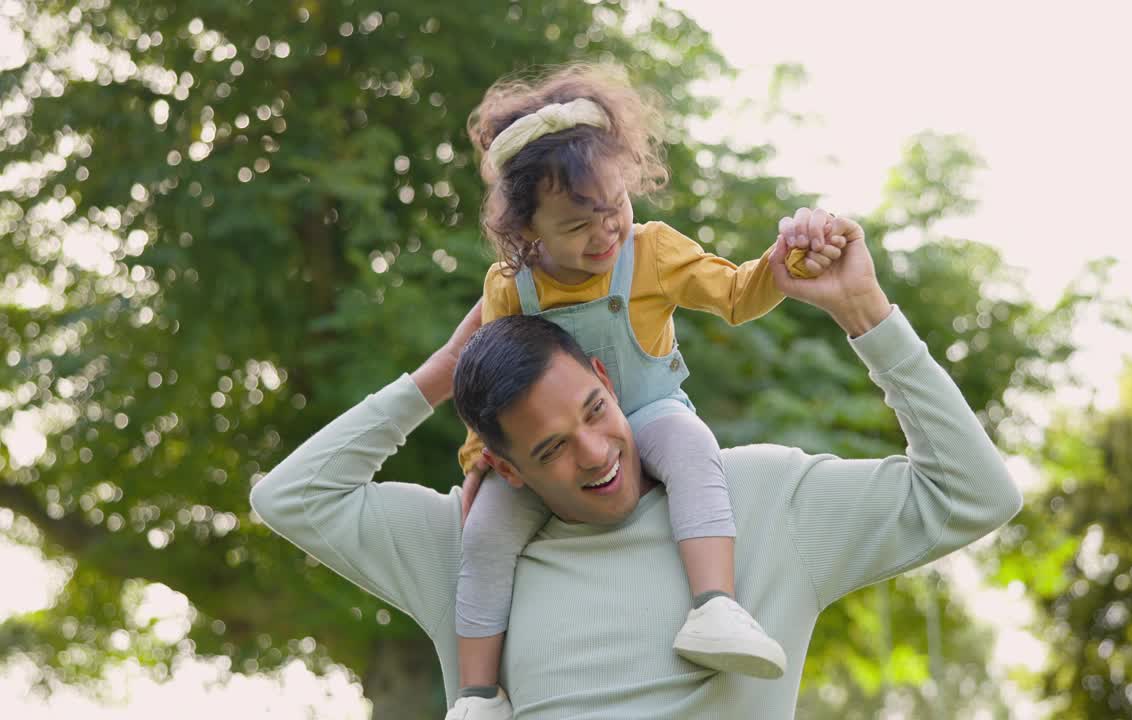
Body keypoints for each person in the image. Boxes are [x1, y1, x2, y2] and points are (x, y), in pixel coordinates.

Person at [249, 207, 1024, 718]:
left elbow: (975, 492)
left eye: (594, 411)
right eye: (551, 449)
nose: (595, 453)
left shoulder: (759, 498)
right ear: (508, 467)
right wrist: (441, 372)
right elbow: (293, 498)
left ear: (609, 381)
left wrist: (865, 314)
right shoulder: (470, 545)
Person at [447, 63, 844, 717]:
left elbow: (739, 296)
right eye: (577, 226)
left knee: (692, 447)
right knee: (485, 529)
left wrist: (781, 267)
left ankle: (715, 608)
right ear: (527, 232)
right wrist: (479, 457)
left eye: (615, 208)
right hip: (558, 442)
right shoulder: (509, 288)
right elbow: (493, 384)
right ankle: (477, 694)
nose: (605, 233)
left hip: (647, 413)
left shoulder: (651, 251)